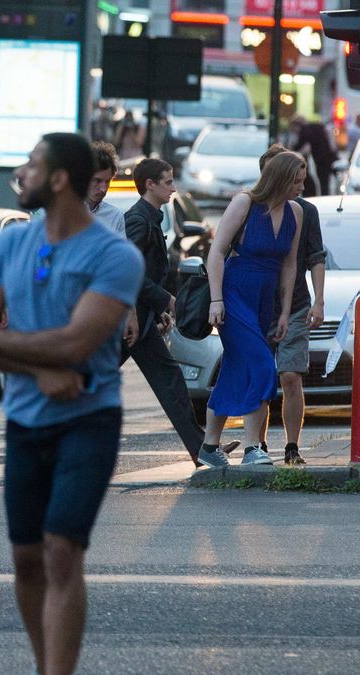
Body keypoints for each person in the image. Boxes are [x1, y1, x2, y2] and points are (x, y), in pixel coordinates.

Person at [0, 132, 144, 675]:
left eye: (33, 165)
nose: (22, 174)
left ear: (58, 179)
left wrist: (12, 349)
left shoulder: (115, 255)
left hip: (89, 419)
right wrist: (38, 368)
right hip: (26, 419)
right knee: (26, 558)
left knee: (62, 549)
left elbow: (76, 345)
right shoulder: (11, 242)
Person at [122, 158, 237, 466]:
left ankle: (202, 450)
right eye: (169, 182)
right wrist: (167, 300)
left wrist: (158, 307)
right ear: (150, 185)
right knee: (88, 382)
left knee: (170, 381)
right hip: (125, 320)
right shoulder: (138, 219)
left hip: (142, 319)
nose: (174, 188)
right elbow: (130, 271)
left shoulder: (152, 217)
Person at [199, 151, 305, 467]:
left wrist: (285, 311)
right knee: (261, 363)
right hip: (234, 292)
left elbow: (290, 263)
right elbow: (216, 252)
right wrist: (216, 300)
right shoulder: (244, 203)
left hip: (264, 298)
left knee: (234, 368)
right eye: (296, 181)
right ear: (280, 179)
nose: (301, 187)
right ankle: (252, 448)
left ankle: (208, 447)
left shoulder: (296, 213)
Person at [257, 144, 327, 465]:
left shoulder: (304, 211)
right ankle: (256, 445)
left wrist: (319, 300)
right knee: (259, 376)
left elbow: (314, 256)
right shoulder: (251, 208)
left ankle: (292, 446)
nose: (298, 185)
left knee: (290, 376)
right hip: (258, 304)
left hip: (295, 303)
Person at [290, 116, 337, 197]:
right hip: (327, 157)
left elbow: (300, 146)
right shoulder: (315, 128)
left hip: (321, 160)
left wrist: (291, 149)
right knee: (325, 182)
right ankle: (325, 196)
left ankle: (324, 197)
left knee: (323, 182)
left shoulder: (304, 131)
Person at [87, 141, 125, 236]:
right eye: (97, 181)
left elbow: (119, 251)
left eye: (107, 181)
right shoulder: (65, 212)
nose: (103, 189)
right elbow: (46, 247)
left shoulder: (115, 216)